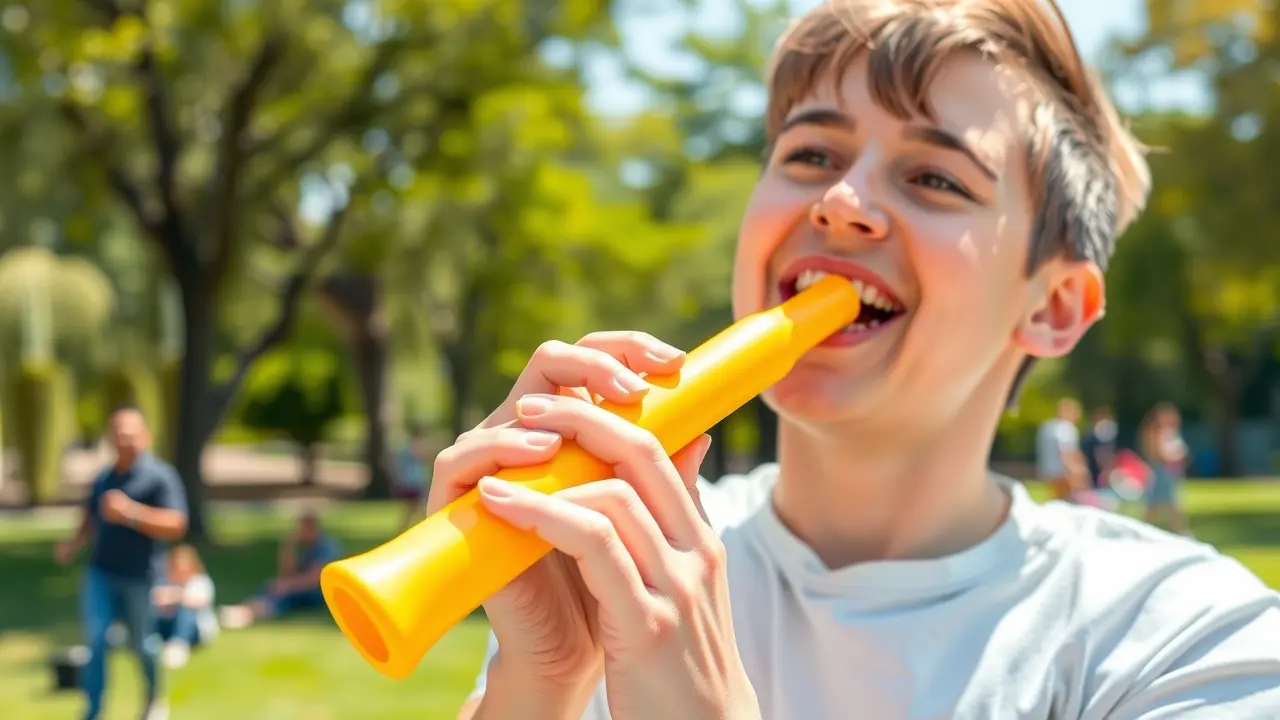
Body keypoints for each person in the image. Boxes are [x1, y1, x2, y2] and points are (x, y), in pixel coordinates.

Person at [432, 1, 1280, 718]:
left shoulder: (1188, 638)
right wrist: (537, 687)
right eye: (812, 155)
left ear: (1052, 306)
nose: (842, 203)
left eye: (936, 179)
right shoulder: (618, 561)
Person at [54, 405, 188, 720]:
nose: (124, 440)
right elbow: (90, 519)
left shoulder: (160, 477)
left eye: (130, 434)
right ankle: (93, 710)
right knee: (96, 639)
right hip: (101, 572)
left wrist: (131, 513)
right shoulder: (104, 477)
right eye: (118, 434)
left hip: (140, 577)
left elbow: (177, 524)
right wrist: (72, 545)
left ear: (145, 436)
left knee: (142, 645)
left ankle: (154, 700)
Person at [218, 509, 340, 629]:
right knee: (271, 587)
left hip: (318, 593)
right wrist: (288, 546)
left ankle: (247, 615)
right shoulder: (306, 546)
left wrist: (287, 585)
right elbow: (287, 573)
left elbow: (313, 580)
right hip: (300, 586)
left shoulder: (326, 548)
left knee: (283, 595)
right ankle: (245, 610)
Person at [152, 544, 218, 669]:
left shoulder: (199, 581)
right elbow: (156, 599)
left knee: (186, 612)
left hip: (196, 629)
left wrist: (176, 597)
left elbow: (198, 602)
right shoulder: (166, 580)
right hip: (168, 623)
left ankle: (179, 645)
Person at [1140, 402, 1192, 536]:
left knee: (1163, 505)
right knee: (1165, 505)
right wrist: (1177, 457)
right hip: (1161, 471)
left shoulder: (1169, 431)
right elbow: (1158, 455)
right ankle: (1181, 532)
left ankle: (1179, 531)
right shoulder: (1153, 432)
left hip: (1169, 472)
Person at [1035, 397, 1088, 502]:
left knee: (1055, 498)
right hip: (1063, 470)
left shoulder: (1047, 427)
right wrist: (1076, 470)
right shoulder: (1067, 428)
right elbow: (1067, 452)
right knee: (1065, 499)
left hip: (1047, 468)